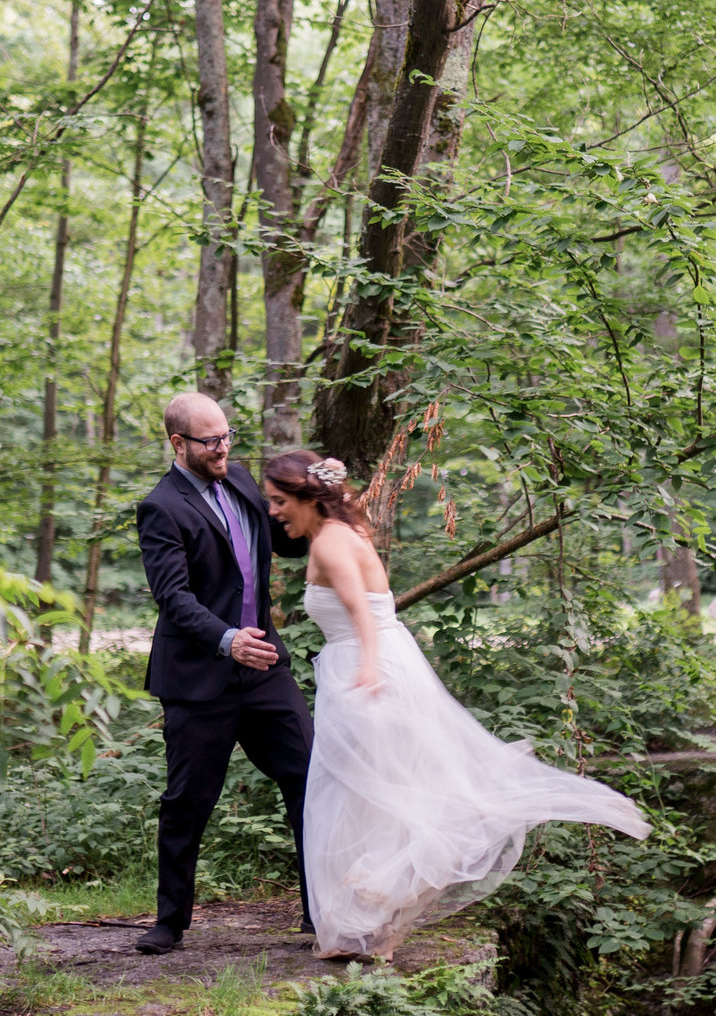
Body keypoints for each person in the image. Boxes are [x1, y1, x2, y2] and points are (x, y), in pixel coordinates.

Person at [260, 449, 652, 961]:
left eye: (279, 501)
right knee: (371, 794)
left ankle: (366, 919)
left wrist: (368, 669)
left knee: (359, 791)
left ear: (309, 498)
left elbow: (361, 611)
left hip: (365, 667)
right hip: (373, 662)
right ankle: (370, 930)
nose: (273, 512)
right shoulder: (345, 532)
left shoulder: (332, 544)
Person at [132, 393, 315, 955]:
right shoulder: (161, 507)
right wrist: (228, 640)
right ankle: (170, 923)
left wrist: (324, 508)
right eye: (210, 440)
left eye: (227, 435)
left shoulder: (237, 478)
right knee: (188, 799)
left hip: (265, 669)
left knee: (313, 778)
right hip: (199, 678)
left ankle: (321, 908)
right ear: (177, 443)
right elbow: (174, 598)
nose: (224, 447)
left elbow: (281, 543)